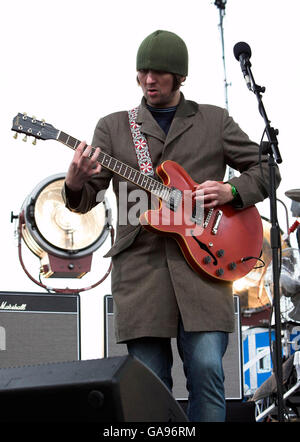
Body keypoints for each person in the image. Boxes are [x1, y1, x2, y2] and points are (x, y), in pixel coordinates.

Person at [63, 30, 281, 422]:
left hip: (208, 265)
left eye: (160, 73)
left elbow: (266, 171)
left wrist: (231, 189)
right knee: (148, 385)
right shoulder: (113, 127)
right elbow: (86, 197)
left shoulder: (214, 120)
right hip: (140, 273)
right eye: (143, 72)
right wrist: (75, 183)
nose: (149, 80)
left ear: (180, 77)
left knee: (208, 372)